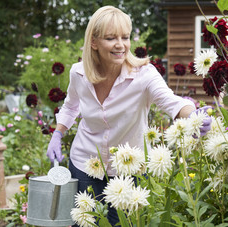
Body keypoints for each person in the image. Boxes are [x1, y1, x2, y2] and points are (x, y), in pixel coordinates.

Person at [46, 5, 212, 226]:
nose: (120, 44)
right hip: (85, 163)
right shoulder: (78, 73)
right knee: (83, 223)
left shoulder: (144, 75)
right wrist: (57, 134)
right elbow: (70, 107)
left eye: (125, 37)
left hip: (128, 170)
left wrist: (193, 116)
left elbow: (173, 103)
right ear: (94, 42)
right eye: (111, 38)